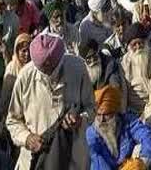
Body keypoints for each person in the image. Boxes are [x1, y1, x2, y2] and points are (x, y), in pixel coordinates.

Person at [6, 33, 95, 170]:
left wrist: (79, 120)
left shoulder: (78, 68)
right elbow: (12, 121)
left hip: (73, 158)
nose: (48, 73)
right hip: (36, 160)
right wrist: (27, 138)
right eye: (43, 70)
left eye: (52, 69)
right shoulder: (25, 76)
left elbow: (91, 108)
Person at [86, 85, 151, 170]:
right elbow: (98, 161)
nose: (101, 120)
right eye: (98, 115)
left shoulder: (128, 121)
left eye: (106, 115)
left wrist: (142, 161)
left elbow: (146, 135)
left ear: (115, 113)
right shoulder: (91, 133)